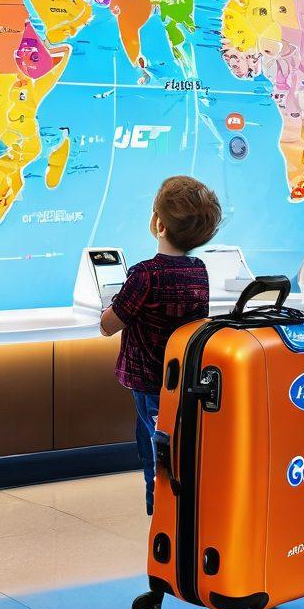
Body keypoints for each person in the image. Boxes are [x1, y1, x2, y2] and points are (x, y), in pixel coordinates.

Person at [100, 175, 221, 513]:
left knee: (156, 453)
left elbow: (110, 324)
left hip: (147, 382)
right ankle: (174, 514)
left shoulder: (144, 274)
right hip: (180, 381)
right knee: (173, 446)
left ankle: (161, 516)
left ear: (158, 224)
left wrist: (106, 311)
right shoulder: (199, 271)